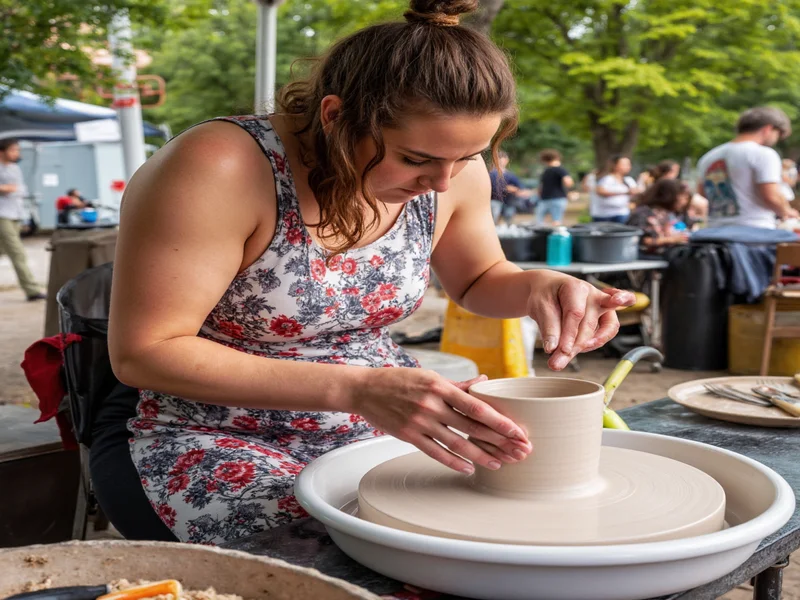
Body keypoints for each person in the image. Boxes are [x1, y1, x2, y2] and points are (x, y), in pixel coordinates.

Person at [105, 0, 634, 545]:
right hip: (205, 431)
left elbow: (478, 280)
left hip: (375, 422)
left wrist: (541, 287)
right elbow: (145, 351)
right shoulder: (220, 166)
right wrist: (357, 388)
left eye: (470, 156)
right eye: (415, 159)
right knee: (351, 557)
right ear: (335, 117)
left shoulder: (453, 170)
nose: (444, 183)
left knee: (495, 535)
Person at [696, 106, 800, 228]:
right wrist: (787, 211)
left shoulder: (709, 157)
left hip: (715, 230)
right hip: (753, 231)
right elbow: (771, 196)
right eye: (778, 134)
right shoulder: (763, 154)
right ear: (768, 128)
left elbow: (702, 192)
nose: (777, 139)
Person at [0, 138, 45, 301]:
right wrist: (4, 188)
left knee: (3, 251)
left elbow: (20, 191)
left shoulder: (14, 168)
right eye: (13, 150)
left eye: (17, 150)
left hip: (15, 215)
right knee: (17, 253)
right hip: (2, 216)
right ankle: (32, 290)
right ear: (2, 151)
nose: (16, 153)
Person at [627, 179, 691, 254]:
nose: (684, 202)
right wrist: (672, 239)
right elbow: (642, 241)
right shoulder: (643, 213)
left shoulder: (669, 214)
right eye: (682, 197)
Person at [591, 155, 641, 223]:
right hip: (603, 215)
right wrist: (625, 192)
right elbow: (600, 191)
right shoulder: (606, 179)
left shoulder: (629, 180)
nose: (628, 167)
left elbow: (637, 192)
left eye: (629, 164)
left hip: (622, 213)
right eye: (624, 164)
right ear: (614, 165)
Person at [489, 151, 533, 223]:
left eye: (504, 159)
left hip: (509, 201)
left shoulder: (510, 174)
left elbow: (520, 186)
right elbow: (495, 187)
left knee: (508, 219)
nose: (502, 162)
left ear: (507, 160)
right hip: (495, 200)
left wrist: (517, 190)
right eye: (499, 159)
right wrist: (507, 188)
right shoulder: (492, 173)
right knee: (493, 219)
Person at [536, 149, 573, 226]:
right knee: (551, 221)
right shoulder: (554, 169)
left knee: (552, 221)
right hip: (551, 198)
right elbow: (569, 183)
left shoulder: (556, 170)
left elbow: (568, 182)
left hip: (554, 199)